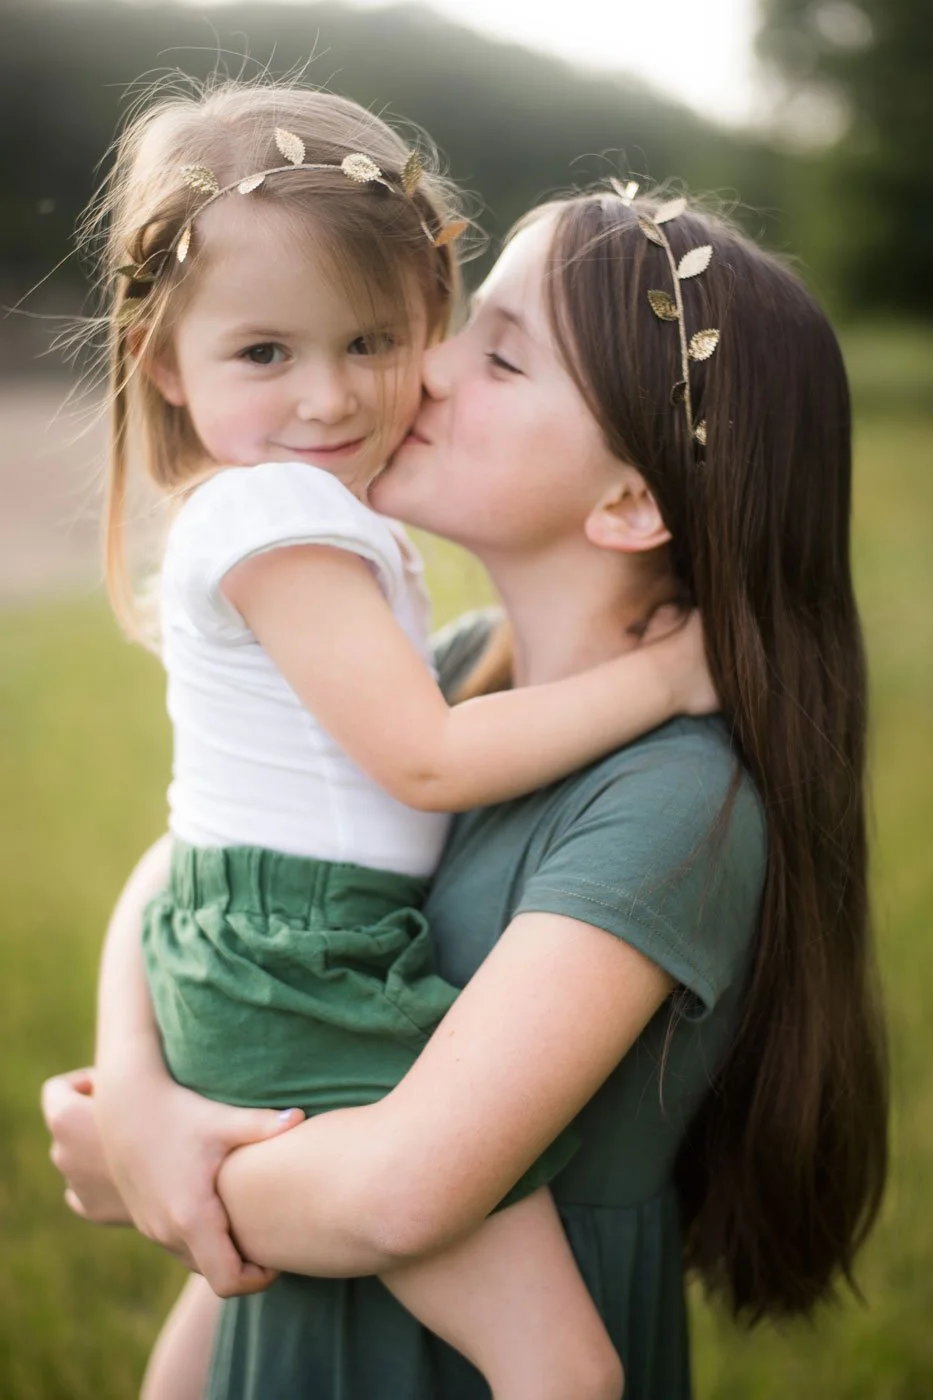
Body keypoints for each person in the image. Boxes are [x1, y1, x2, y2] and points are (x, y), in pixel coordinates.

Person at [43, 169, 888, 1400]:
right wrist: (136, 1093)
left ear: (630, 498)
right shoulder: (451, 677)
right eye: (463, 321)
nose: (423, 366)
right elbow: (190, 851)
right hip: (298, 1310)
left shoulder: (673, 804)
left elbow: (403, 1190)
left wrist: (175, 1181)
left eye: (501, 358)